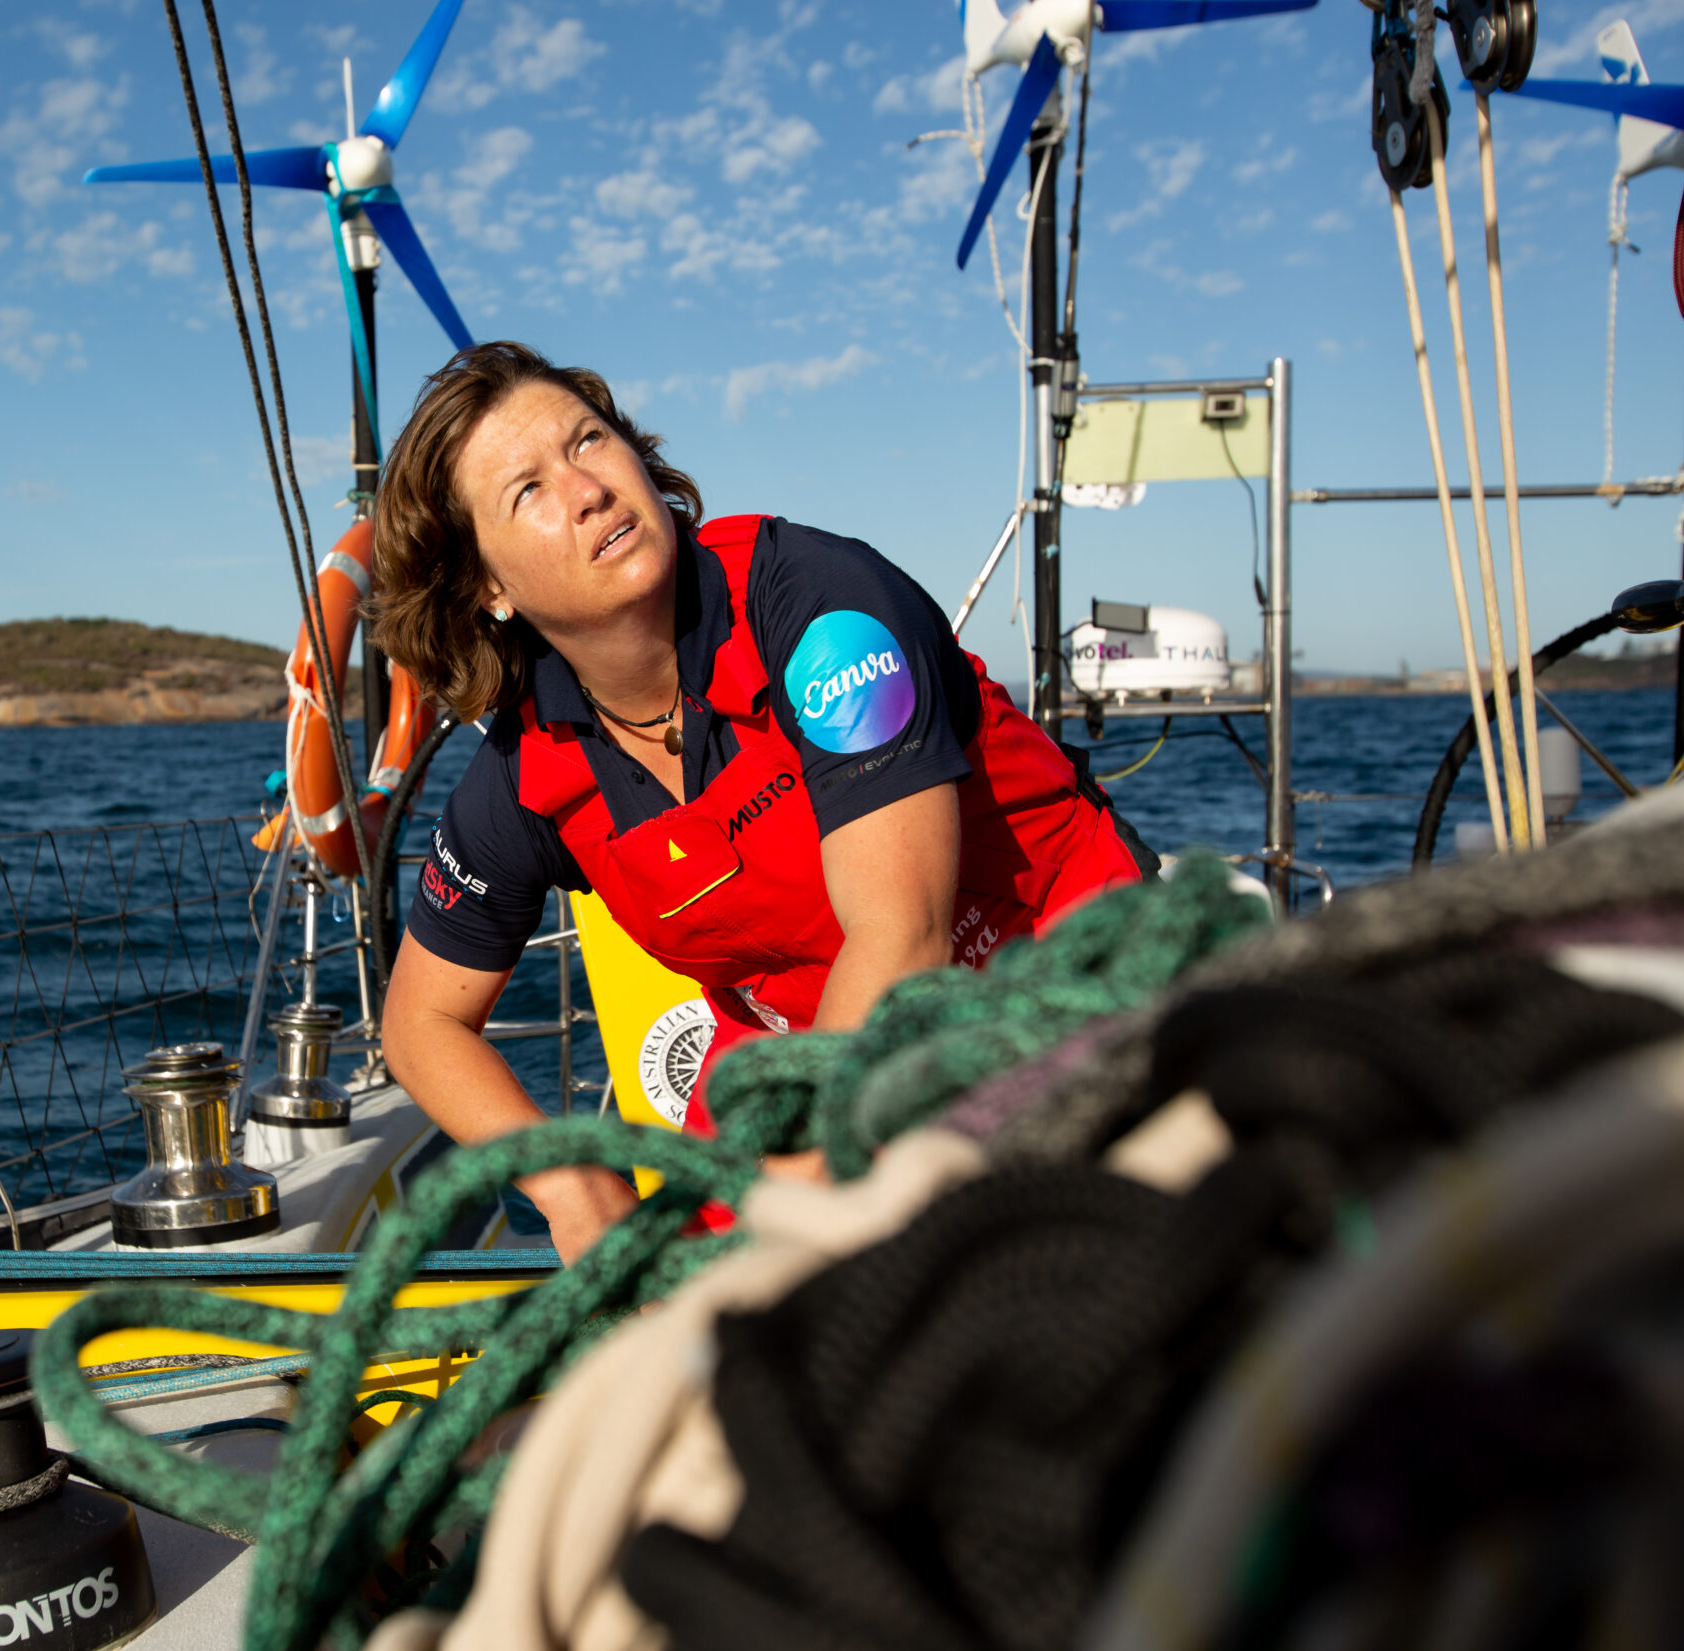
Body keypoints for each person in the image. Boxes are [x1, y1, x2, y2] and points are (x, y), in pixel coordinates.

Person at [371, 343, 1151, 1261]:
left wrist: (798, 1202)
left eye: (589, 440)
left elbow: (901, 936)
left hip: (1051, 975)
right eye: (528, 490)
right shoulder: (528, 773)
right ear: (488, 587)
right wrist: (570, 1183)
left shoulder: (817, 609)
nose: (586, 487)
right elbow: (419, 1026)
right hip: (805, 1053)